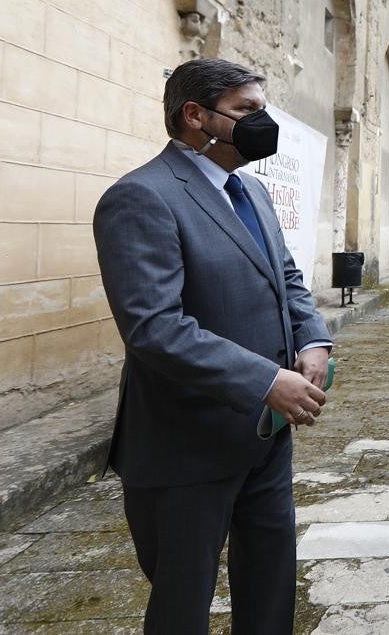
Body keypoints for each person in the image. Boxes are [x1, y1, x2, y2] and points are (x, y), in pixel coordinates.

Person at [92, 58, 332, 634]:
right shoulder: (140, 198)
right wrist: (266, 381)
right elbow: (155, 327)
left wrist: (314, 339)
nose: (262, 122)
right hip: (187, 445)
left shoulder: (251, 190)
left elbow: (288, 280)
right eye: (248, 110)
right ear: (196, 116)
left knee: (271, 581)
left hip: (264, 439)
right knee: (183, 601)